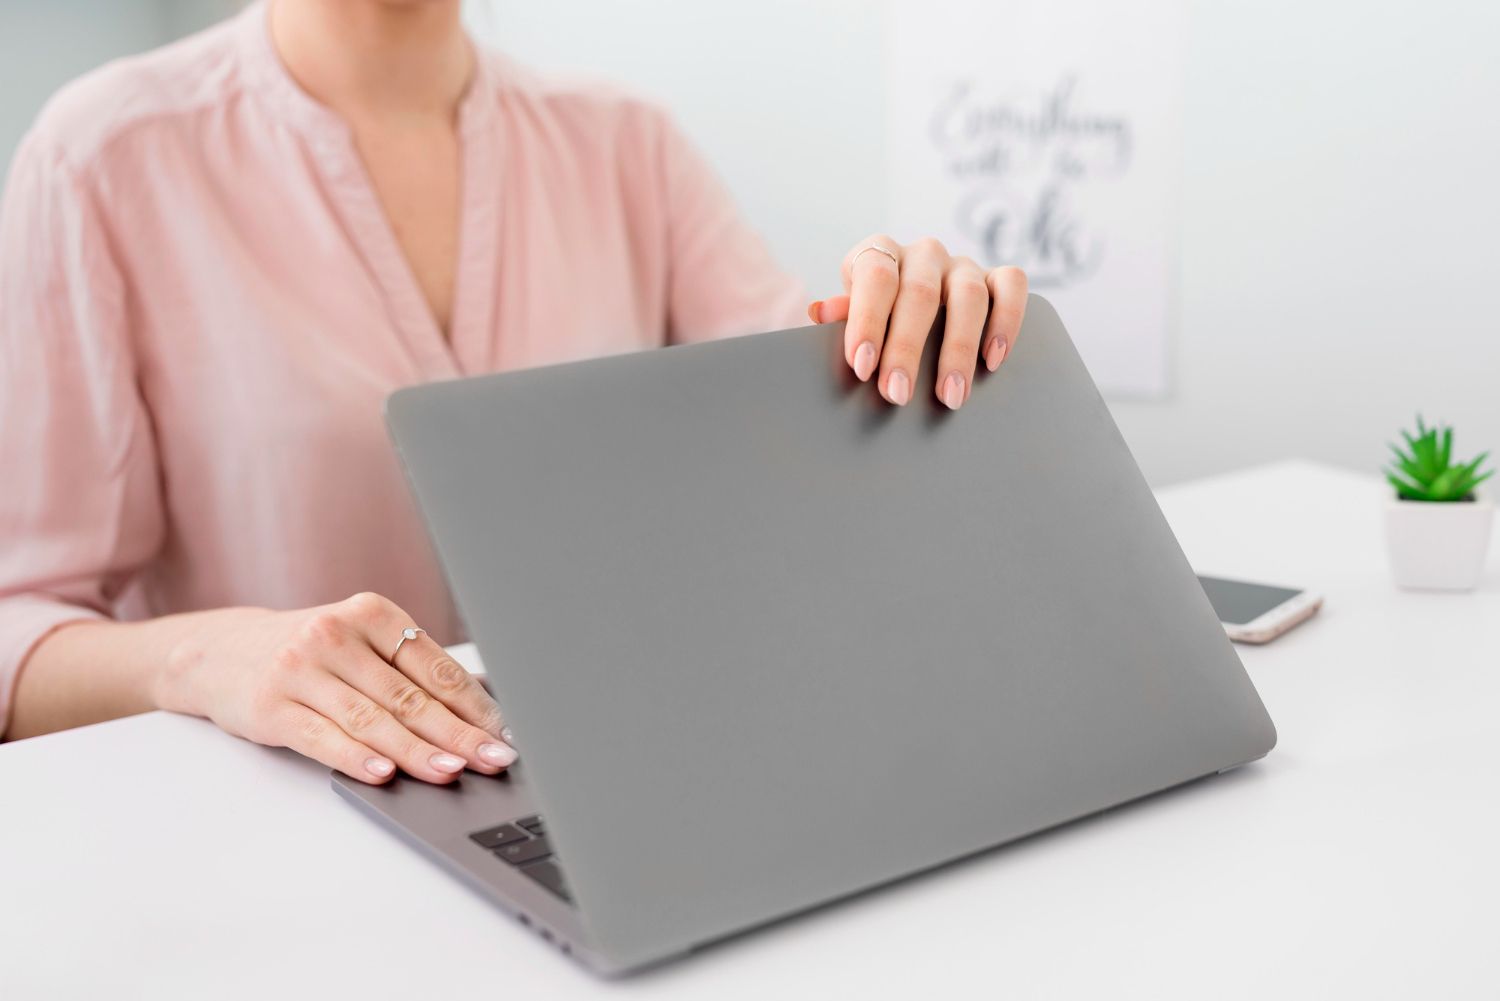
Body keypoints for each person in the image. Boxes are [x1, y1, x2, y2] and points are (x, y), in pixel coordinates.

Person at [0, 0, 1029, 783]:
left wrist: (916, 329)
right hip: (275, 826)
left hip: (608, 790)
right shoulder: (101, 158)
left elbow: (809, 451)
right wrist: (201, 657)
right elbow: (17, 623)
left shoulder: (629, 143)